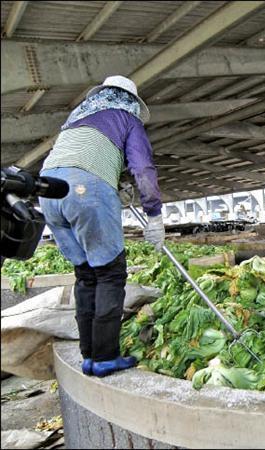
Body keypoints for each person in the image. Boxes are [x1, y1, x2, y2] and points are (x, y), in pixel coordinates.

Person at [39, 75, 164, 377]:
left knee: (86, 276)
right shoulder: (127, 118)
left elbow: (81, 158)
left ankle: (89, 356)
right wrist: (155, 214)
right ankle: (106, 357)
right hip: (85, 190)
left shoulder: (77, 117)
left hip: (47, 190)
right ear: (131, 102)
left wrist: (113, 183)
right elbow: (143, 167)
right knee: (110, 274)